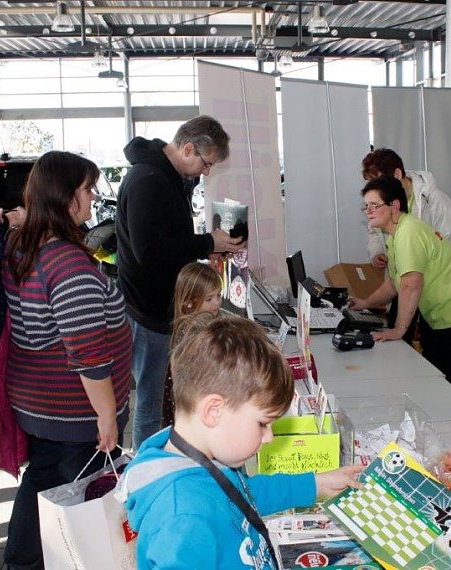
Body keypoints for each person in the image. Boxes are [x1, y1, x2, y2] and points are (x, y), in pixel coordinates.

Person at [119, 314, 364, 568]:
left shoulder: (194, 455)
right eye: (262, 424)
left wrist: (315, 484)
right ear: (214, 411)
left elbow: (245, 493)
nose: (269, 437)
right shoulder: (183, 519)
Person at [2, 151, 132, 569]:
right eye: (88, 189)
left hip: (40, 402)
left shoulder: (24, 244)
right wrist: (107, 415)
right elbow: (88, 354)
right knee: (77, 500)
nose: (94, 199)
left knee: (42, 485)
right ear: (65, 197)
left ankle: (22, 562)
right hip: (75, 412)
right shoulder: (68, 263)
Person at [116, 115, 246, 450]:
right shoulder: (148, 181)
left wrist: (206, 250)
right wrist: (206, 244)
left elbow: (170, 238)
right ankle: (144, 472)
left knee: (162, 396)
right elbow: (151, 251)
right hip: (149, 311)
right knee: (150, 400)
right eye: (206, 163)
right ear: (188, 148)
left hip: (162, 306)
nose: (207, 173)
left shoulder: (167, 177)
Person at [348, 176, 451, 416]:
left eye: (375, 205)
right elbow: (394, 284)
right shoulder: (397, 233)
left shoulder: (408, 233)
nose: (369, 212)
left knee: (440, 383)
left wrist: (399, 329)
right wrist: (364, 303)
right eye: (366, 206)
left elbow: (411, 285)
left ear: (394, 206)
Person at [361, 148, 451, 263]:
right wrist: (377, 252)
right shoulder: (384, 202)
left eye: (380, 182)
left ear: (397, 174)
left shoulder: (434, 200)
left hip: (438, 276)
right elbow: (375, 230)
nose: (376, 189)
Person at [161, 262, 223, 427]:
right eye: (209, 299)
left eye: (219, 295)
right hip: (193, 409)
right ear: (189, 302)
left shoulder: (191, 324)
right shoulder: (197, 334)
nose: (217, 303)